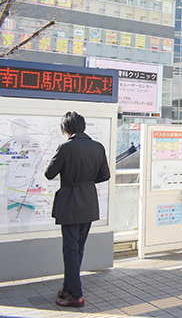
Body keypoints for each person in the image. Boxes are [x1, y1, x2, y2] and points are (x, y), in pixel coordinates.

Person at [45, 111, 110, 308]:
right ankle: (68, 288)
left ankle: (76, 295)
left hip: (70, 202)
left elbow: (49, 174)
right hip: (89, 201)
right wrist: (86, 183)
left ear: (66, 129)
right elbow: (105, 174)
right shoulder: (97, 147)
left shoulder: (65, 147)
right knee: (78, 248)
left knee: (70, 249)